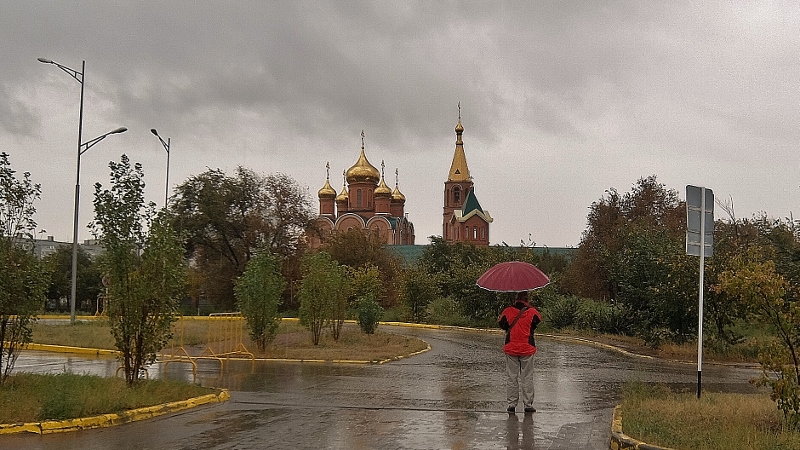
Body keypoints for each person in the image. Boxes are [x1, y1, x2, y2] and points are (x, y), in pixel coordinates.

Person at [498, 291, 542, 414]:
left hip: (511, 348)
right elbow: (537, 322)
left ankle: (512, 404)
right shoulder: (533, 312)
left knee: (512, 377)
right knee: (527, 377)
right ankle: (528, 405)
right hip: (527, 348)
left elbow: (502, 324)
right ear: (527, 299)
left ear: (516, 298)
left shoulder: (507, 311)